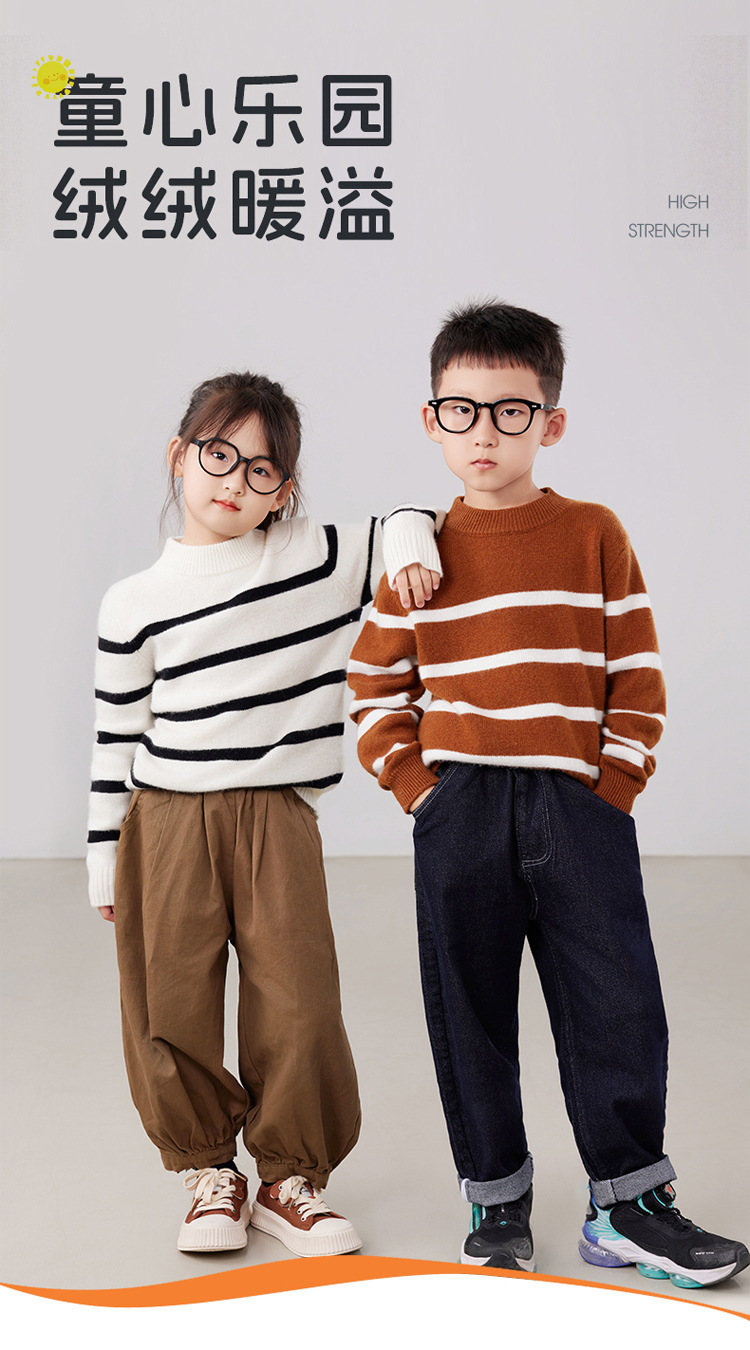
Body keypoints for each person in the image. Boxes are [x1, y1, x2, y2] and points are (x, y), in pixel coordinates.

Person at [347, 301, 749, 1289]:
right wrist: (420, 791)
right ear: (431, 420)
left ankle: (629, 1206)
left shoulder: (591, 533)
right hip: (462, 811)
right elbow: (372, 686)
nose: (484, 432)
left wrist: (613, 787)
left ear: (551, 422)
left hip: (577, 808)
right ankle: (496, 1198)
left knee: (617, 1003)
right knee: (469, 1011)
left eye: (511, 411)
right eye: (461, 410)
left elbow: (637, 671)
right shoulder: (415, 554)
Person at [86, 370, 442, 1258]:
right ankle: (210, 1173)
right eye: (219, 456)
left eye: (262, 470)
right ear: (180, 456)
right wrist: (101, 858)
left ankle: (290, 1179)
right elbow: (114, 738)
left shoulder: (312, 557)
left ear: (285, 488)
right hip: (165, 821)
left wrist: (410, 545)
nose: (235, 483)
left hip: (278, 816)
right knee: (168, 1004)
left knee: (299, 1000)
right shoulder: (132, 602)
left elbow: (412, 518)